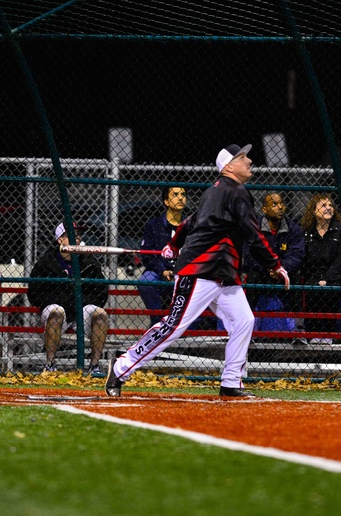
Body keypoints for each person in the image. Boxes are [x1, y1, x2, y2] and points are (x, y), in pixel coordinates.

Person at [105, 143, 288, 398]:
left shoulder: (214, 192)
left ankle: (231, 382)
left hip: (222, 273)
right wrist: (275, 264)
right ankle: (121, 367)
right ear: (228, 167)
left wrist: (173, 244)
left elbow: (189, 222)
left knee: (244, 321)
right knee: (174, 326)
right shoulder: (235, 191)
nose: (249, 161)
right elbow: (253, 233)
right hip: (200, 270)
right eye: (243, 158)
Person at [27, 223, 110, 375]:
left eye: (78, 235)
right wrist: (64, 300)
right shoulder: (46, 262)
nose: (76, 238)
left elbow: (101, 291)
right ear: (60, 240)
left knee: (101, 314)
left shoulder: (89, 262)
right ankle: (50, 364)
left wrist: (80, 303)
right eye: (71, 235)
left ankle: (94, 365)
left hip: (81, 310)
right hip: (57, 309)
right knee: (57, 312)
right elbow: (35, 292)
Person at [244, 192, 305, 331]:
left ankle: (299, 329)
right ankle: (249, 328)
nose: (280, 207)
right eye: (274, 204)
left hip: (284, 272)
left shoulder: (293, 229)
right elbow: (248, 255)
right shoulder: (254, 228)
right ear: (264, 209)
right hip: (262, 271)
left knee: (295, 278)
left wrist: (281, 269)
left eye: (282, 204)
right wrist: (269, 268)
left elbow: (297, 255)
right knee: (252, 276)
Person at [298, 193, 341, 343]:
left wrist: (326, 278)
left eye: (330, 205)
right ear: (314, 210)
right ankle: (312, 333)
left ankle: (328, 333)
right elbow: (305, 258)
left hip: (335, 277)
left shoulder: (340, 230)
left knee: (329, 291)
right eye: (323, 206)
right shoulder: (307, 232)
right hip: (313, 275)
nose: (328, 208)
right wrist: (316, 278)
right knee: (311, 289)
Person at [138, 186, 187, 324]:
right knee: (145, 282)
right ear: (166, 201)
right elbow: (147, 254)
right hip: (160, 270)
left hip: (185, 272)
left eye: (183, 194)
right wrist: (163, 270)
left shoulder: (190, 225)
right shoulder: (154, 225)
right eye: (175, 194)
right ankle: (158, 323)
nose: (180, 198)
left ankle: (184, 325)